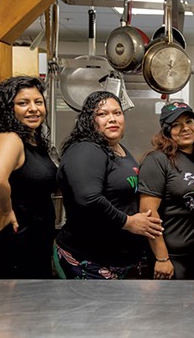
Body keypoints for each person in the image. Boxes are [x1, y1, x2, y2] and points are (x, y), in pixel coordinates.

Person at [54, 91, 163, 279]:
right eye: (102, 114)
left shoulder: (116, 148)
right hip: (87, 260)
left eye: (117, 113)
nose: (112, 119)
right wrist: (129, 222)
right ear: (89, 120)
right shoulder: (86, 149)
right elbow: (88, 198)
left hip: (118, 260)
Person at [0, 76, 57, 279]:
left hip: (33, 244)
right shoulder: (9, 138)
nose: (33, 108)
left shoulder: (31, 141)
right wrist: (6, 208)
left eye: (38, 102)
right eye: (23, 103)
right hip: (14, 244)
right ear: (9, 109)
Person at [138, 102, 194, 279]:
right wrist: (162, 258)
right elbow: (148, 214)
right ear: (166, 131)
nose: (185, 128)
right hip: (172, 259)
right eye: (176, 125)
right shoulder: (157, 160)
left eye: (189, 121)